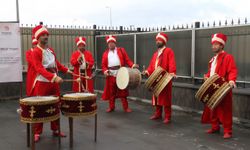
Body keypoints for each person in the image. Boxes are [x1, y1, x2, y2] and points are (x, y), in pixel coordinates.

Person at [31, 25, 72, 142]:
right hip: (43, 83)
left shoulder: (50, 50)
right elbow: (39, 69)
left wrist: (66, 70)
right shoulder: (36, 52)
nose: (45, 37)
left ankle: (56, 129)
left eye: (46, 35)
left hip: (53, 83)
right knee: (40, 107)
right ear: (38, 38)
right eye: (43, 35)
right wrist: (54, 77)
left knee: (55, 106)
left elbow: (56, 64)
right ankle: (37, 132)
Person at [201, 33, 237, 139]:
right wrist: (206, 76)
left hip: (223, 88)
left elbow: (232, 70)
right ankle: (215, 127)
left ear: (222, 45)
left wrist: (231, 80)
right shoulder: (213, 59)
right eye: (213, 44)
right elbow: (210, 72)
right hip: (213, 87)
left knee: (226, 109)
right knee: (213, 108)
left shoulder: (228, 57)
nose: (213, 46)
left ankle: (227, 131)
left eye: (216, 44)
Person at [143, 32, 176, 124]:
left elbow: (171, 63)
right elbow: (151, 66)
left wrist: (172, 72)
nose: (157, 42)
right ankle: (158, 114)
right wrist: (147, 71)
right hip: (156, 79)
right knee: (156, 97)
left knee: (166, 98)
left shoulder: (169, 51)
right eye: (157, 40)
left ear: (164, 41)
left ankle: (168, 116)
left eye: (159, 40)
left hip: (165, 78)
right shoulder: (155, 54)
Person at [101, 35, 138, 113]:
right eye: (109, 43)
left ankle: (126, 108)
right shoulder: (105, 53)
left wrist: (132, 65)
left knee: (123, 92)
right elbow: (103, 65)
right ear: (108, 44)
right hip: (111, 75)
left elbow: (127, 60)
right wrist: (105, 71)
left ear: (115, 43)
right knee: (111, 92)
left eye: (112, 42)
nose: (110, 44)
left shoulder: (121, 50)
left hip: (121, 74)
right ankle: (111, 107)